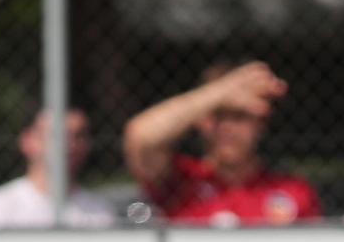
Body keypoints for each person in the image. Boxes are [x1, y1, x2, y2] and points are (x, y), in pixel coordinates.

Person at [122, 60, 320, 226]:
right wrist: (220, 92)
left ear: (261, 123)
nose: (228, 128)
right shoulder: (178, 181)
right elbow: (141, 137)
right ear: (200, 121)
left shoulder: (292, 190)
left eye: (239, 117)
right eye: (218, 116)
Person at [0, 107, 116, 229]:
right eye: (58, 136)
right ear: (27, 141)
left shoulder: (101, 211)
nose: (70, 145)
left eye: (79, 136)